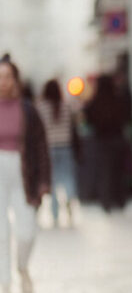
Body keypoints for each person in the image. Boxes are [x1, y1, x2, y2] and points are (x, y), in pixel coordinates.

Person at [0, 55, 51, 293]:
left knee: (27, 231)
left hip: (23, 174)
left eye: (7, 76)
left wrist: (43, 181)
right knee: (1, 233)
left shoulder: (28, 110)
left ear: (15, 79)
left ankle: (22, 267)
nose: (3, 82)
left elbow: (41, 146)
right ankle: (4, 288)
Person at [83, 74, 130, 211]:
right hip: (117, 139)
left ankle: (106, 201)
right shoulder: (118, 99)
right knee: (118, 171)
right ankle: (120, 200)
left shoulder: (95, 102)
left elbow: (88, 118)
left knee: (104, 172)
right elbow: (127, 116)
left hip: (102, 141)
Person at [36, 79, 79, 225]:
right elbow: (73, 126)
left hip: (49, 148)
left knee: (52, 181)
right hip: (65, 147)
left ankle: (54, 213)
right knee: (68, 178)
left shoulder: (41, 108)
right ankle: (70, 200)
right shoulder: (66, 106)